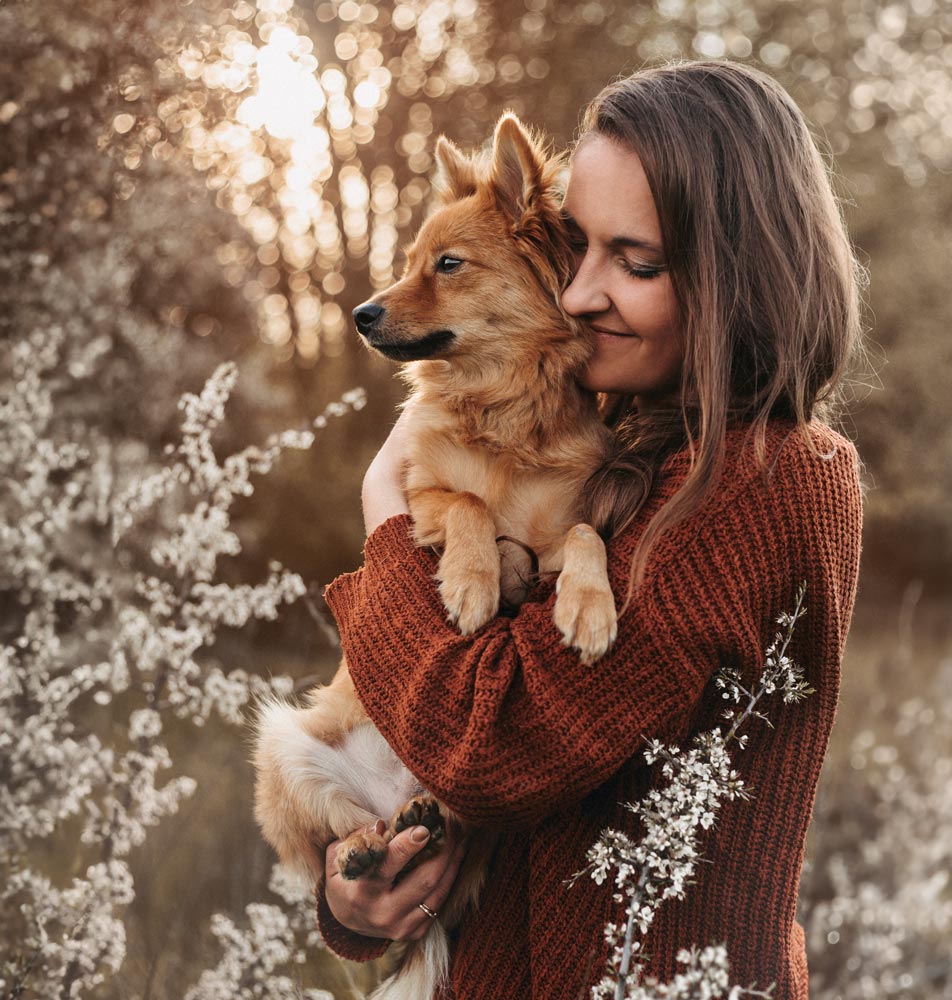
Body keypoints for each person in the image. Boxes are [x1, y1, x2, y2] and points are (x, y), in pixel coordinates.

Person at [315, 59, 864, 999]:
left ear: (740, 272)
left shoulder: (765, 483)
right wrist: (361, 902)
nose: (576, 295)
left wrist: (384, 512)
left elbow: (493, 750)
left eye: (636, 263)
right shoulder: (613, 427)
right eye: (579, 254)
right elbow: (458, 784)